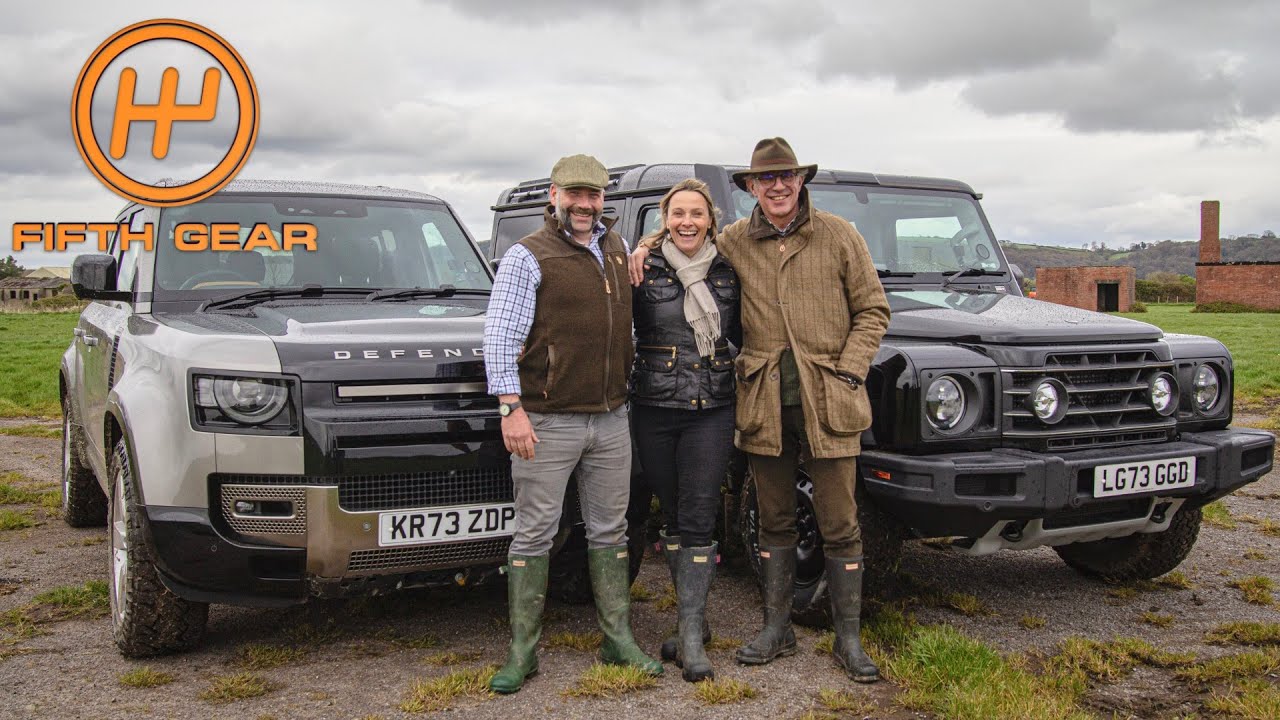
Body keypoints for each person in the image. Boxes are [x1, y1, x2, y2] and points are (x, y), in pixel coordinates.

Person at [628, 138, 890, 683]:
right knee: (774, 520)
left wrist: (849, 370)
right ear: (751, 187)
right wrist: (645, 245)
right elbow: (687, 236)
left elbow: (873, 309)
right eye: (766, 178)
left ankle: (848, 638)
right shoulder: (735, 240)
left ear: (801, 181)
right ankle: (777, 628)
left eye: (786, 176)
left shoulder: (840, 234)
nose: (777, 186)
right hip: (764, 402)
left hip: (829, 402)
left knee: (840, 523)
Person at [484, 154, 662, 694]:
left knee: (611, 530)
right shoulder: (527, 256)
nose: (585, 204)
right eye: (575, 194)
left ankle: (618, 639)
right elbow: (499, 339)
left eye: (594, 195)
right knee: (535, 532)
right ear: (555, 195)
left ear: (603, 199)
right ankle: (522, 652)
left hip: (610, 419)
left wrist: (645, 247)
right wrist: (511, 409)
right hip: (546, 419)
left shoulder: (615, 248)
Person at [631, 179, 741, 682]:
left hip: (711, 408)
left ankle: (692, 637)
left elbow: (748, 332)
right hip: (654, 407)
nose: (687, 222)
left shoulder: (730, 269)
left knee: (698, 517)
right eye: (678, 213)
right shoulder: (642, 266)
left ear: (711, 219)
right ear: (665, 218)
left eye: (697, 213)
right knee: (673, 516)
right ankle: (690, 618)